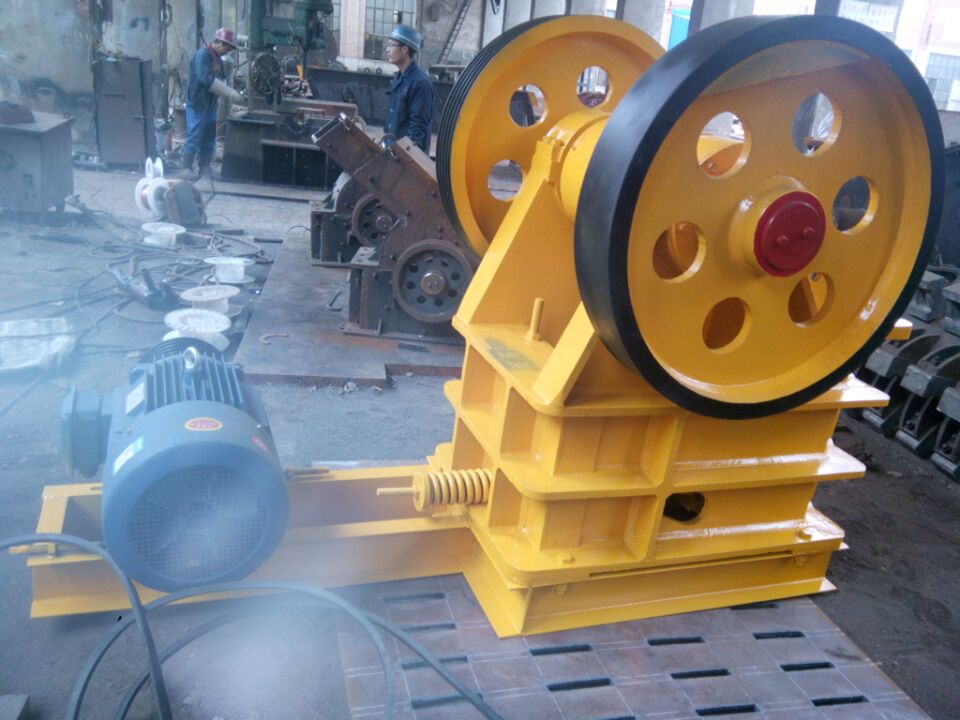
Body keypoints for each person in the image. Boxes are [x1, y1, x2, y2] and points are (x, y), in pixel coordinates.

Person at [181, 28, 242, 178]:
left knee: (209, 136)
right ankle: (186, 168)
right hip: (197, 103)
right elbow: (205, 78)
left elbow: (220, 79)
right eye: (227, 48)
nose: (227, 51)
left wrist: (227, 91)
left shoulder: (218, 59)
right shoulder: (203, 55)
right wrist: (228, 92)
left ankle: (204, 168)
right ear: (219, 43)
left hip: (210, 105)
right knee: (194, 134)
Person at [383, 25, 434, 154]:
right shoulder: (398, 79)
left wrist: (406, 156)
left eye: (391, 45)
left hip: (405, 156)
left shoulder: (421, 83)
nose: (387, 50)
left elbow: (417, 128)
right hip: (392, 151)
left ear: (405, 49)